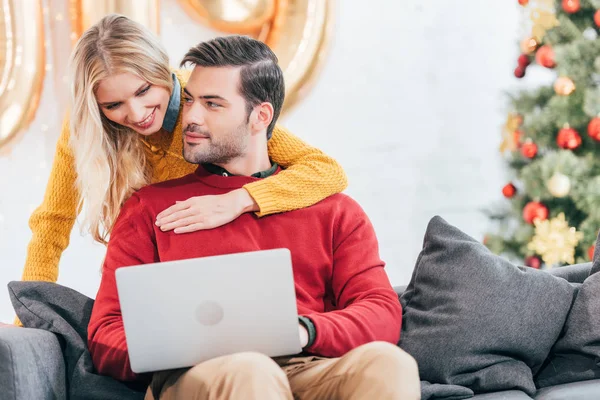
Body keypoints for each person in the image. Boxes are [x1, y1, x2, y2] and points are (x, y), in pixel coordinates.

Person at [88, 35, 420, 400]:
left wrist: (302, 330)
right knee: (251, 370)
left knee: (390, 363)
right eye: (189, 100)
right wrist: (180, 342)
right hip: (200, 374)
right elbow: (106, 332)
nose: (191, 117)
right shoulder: (149, 208)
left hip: (306, 365)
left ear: (260, 116)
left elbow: (381, 311)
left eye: (212, 104)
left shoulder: (335, 211)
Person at [14, 14, 347, 323]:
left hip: (225, 274)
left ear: (162, 70)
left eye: (144, 90)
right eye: (113, 105)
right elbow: (51, 225)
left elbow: (325, 169)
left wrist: (240, 199)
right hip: (154, 281)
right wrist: (26, 323)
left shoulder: (203, 101)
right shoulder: (86, 128)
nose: (136, 112)